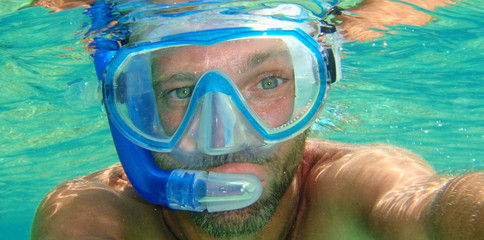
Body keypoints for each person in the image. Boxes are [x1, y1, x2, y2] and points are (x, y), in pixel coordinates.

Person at [31, 0, 483, 239]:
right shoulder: (100, 213)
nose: (224, 137)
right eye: (182, 91)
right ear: (140, 108)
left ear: (310, 91)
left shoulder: (354, 190)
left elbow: (434, 210)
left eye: (267, 83)